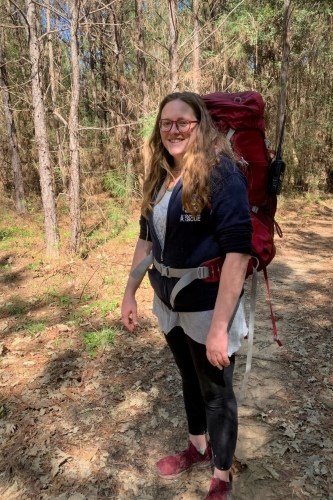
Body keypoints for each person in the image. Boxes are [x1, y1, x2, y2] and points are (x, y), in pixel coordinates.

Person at [121, 92, 252, 500]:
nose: (173, 130)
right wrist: (129, 293)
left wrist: (218, 328)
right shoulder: (160, 175)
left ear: (200, 126)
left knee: (216, 391)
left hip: (207, 306)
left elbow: (238, 251)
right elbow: (145, 240)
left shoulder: (222, 174)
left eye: (183, 122)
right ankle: (198, 447)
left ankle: (222, 474)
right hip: (168, 303)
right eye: (166, 123)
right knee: (188, 379)